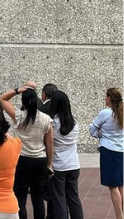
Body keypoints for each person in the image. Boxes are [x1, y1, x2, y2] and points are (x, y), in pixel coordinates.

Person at [0, 86, 53, 219]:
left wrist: (18, 90)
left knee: (21, 198)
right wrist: (49, 164)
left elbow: (2, 98)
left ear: (23, 102)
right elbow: (50, 144)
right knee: (38, 199)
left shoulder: (19, 116)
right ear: (36, 101)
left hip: (22, 159)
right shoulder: (46, 119)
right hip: (40, 160)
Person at [46, 91, 82, 219]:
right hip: (74, 164)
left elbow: (49, 143)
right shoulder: (75, 122)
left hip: (58, 165)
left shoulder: (52, 123)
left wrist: (49, 164)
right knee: (74, 198)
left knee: (59, 200)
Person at [89, 87, 123, 219]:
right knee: (120, 184)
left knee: (113, 186)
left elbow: (92, 128)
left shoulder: (105, 113)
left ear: (109, 98)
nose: (105, 99)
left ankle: (119, 216)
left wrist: (99, 134)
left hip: (108, 150)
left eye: (106, 96)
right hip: (121, 149)